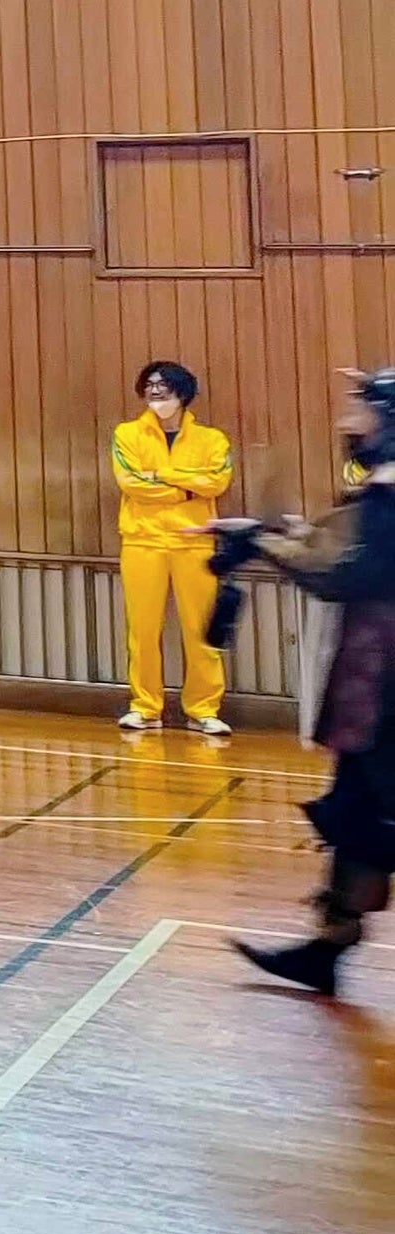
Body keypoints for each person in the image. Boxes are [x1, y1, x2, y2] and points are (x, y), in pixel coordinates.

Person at [226, 370, 395, 993]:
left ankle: (329, 945)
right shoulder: (383, 492)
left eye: (363, 410)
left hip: (388, 683)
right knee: (359, 811)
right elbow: (347, 546)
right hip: (378, 676)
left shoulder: (391, 492)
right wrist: (280, 535)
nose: (350, 422)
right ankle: (327, 948)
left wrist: (265, 543)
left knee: (378, 810)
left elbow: (346, 574)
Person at [115, 359, 236, 736]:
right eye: (149, 385)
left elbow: (217, 482)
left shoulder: (212, 440)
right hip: (143, 541)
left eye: (163, 385)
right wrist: (187, 488)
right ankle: (145, 707)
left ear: (183, 392)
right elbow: (132, 483)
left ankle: (203, 709)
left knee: (201, 630)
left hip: (194, 541)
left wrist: (163, 476)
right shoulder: (127, 434)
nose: (155, 391)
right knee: (142, 631)